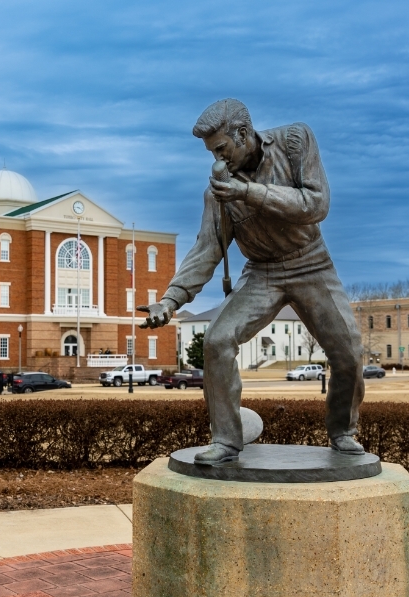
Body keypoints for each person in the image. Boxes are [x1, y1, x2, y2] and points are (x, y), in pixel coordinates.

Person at [138, 98, 364, 464]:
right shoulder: (217, 191)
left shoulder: (295, 141)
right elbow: (207, 249)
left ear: (243, 134)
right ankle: (227, 440)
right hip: (261, 273)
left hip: (312, 265)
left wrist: (248, 193)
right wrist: (171, 300)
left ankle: (343, 432)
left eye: (221, 148)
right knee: (217, 339)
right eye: (211, 151)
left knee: (349, 352)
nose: (217, 159)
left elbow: (316, 203)